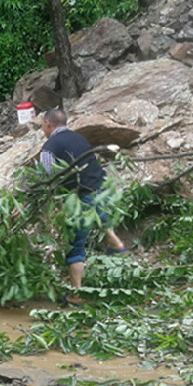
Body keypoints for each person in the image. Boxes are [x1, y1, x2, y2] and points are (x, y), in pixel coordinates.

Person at [39, 109, 125, 303]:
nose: (42, 129)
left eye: (42, 125)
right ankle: (113, 240)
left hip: (81, 195)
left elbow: (47, 177)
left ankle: (75, 294)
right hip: (101, 188)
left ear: (48, 124)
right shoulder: (79, 138)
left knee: (75, 245)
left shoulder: (49, 146)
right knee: (96, 210)